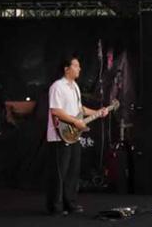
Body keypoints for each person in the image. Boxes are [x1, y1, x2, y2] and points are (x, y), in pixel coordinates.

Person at [46, 55, 109, 215]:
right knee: (60, 172)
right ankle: (56, 206)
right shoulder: (57, 86)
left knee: (73, 170)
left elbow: (79, 109)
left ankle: (70, 203)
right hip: (60, 135)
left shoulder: (74, 86)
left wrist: (97, 112)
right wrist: (75, 122)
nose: (79, 68)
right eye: (76, 65)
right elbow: (56, 110)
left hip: (74, 135)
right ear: (66, 68)